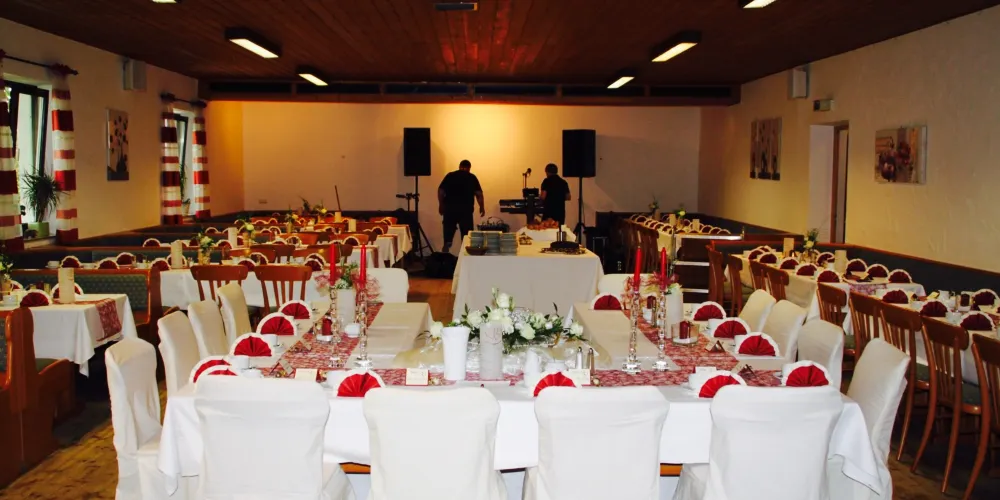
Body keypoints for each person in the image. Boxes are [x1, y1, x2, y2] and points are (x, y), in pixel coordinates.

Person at [438, 159, 485, 251]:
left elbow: (441, 191)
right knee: (466, 238)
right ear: (469, 168)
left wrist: (441, 205)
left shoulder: (450, 175)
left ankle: (446, 248)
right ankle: (465, 254)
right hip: (466, 211)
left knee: (448, 235)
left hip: (450, 209)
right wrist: (482, 207)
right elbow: (479, 194)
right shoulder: (471, 177)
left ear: (459, 166)